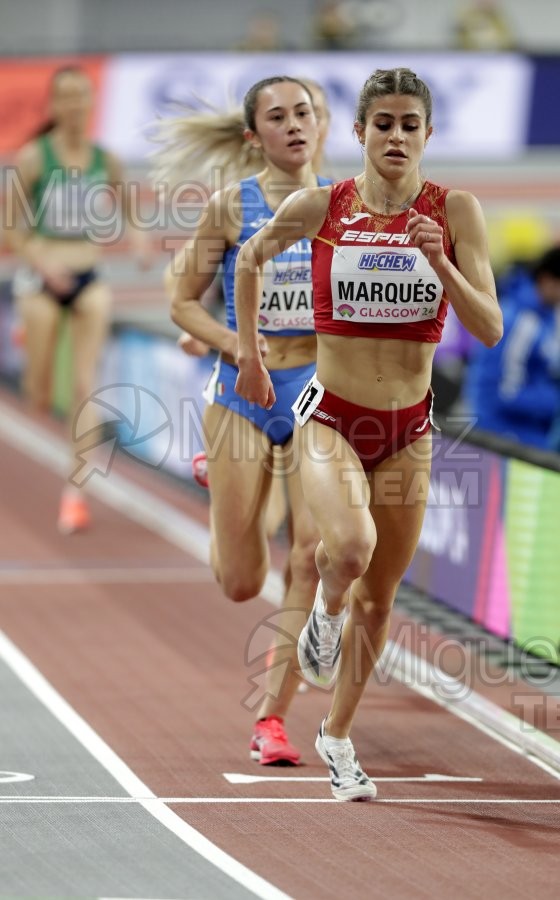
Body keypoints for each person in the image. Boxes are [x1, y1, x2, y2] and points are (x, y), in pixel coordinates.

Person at [234, 67, 503, 800]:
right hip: (332, 417)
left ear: (426, 134)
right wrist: (250, 353)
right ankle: (323, 612)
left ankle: (337, 737)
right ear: (358, 132)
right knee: (348, 549)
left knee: (382, 603)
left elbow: (489, 328)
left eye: (408, 125)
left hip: (409, 428)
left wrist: (438, 260)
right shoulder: (322, 205)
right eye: (381, 124)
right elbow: (250, 262)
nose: (395, 137)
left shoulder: (457, 212)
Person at [166, 76, 330, 765]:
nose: (293, 125)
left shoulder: (347, 208)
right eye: (277, 117)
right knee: (239, 580)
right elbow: (181, 300)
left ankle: (272, 720)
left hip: (317, 393)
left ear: (320, 125)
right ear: (252, 136)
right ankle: (224, 500)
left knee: (311, 559)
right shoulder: (234, 207)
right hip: (241, 392)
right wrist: (235, 343)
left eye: (303, 113)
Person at [3, 65, 148, 534]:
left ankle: (75, 494)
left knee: (86, 387)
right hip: (44, 275)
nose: (75, 106)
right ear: (54, 105)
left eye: (82, 96)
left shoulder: (105, 160)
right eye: (65, 97)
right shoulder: (33, 158)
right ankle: (31, 342)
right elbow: (9, 226)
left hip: (88, 275)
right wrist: (44, 263)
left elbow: (129, 208)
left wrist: (140, 239)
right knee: (41, 397)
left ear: (92, 103)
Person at [464, 247, 560, 449]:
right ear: (546, 280)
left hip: (529, 425)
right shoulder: (520, 322)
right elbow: (504, 393)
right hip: (502, 431)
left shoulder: (546, 315)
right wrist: (554, 402)